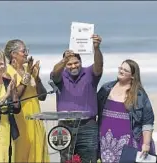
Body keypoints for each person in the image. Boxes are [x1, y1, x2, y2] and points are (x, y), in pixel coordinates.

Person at [50, 34, 103, 163]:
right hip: (65, 126)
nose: (73, 66)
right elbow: (54, 73)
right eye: (69, 64)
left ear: (81, 62)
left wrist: (96, 48)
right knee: (66, 159)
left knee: (89, 159)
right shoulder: (60, 76)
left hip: (88, 126)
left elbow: (99, 66)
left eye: (76, 63)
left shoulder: (89, 73)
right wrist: (63, 60)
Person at [97, 59, 156, 163]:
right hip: (104, 142)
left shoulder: (139, 95)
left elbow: (148, 121)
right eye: (120, 68)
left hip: (129, 144)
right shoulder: (106, 88)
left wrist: (146, 144)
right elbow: (94, 108)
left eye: (125, 70)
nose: (121, 71)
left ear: (132, 76)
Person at [4, 39, 49, 162]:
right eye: (23, 51)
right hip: (21, 121)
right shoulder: (7, 71)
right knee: (22, 155)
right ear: (13, 54)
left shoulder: (27, 68)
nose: (26, 54)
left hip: (36, 120)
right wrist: (27, 75)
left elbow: (43, 96)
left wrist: (36, 77)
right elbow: (15, 96)